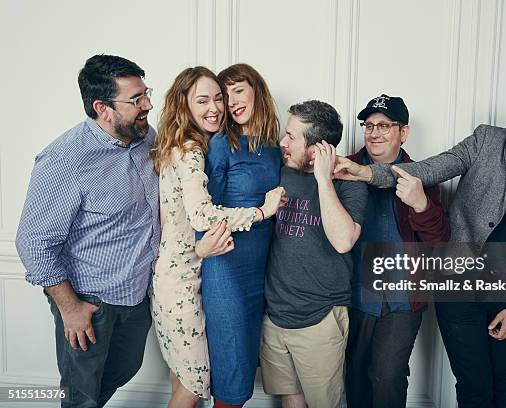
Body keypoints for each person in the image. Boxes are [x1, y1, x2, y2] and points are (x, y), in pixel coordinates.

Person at [335, 78, 506, 407]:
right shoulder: (486, 140)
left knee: (500, 386)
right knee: (474, 386)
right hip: (456, 283)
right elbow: (428, 169)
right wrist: (366, 173)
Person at [15, 54, 159, 407]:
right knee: (81, 394)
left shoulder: (144, 137)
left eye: (146, 93)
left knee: (123, 370)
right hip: (90, 302)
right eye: (136, 99)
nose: (148, 105)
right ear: (102, 108)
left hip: (136, 296)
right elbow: (33, 242)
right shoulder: (65, 160)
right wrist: (70, 307)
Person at [149, 66, 285, 408]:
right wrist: (261, 212)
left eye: (223, 96)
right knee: (197, 384)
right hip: (188, 275)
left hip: (211, 269)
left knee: (189, 377)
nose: (220, 106)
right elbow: (201, 216)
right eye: (204, 100)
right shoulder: (199, 148)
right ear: (185, 106)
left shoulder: (200, 144)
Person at [344, 94, 451, 408]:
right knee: (355, 376)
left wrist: (421, 204)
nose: (374, 133)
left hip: (403, 299)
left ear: (403, 132)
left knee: (388, 375)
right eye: (369, 125)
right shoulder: (345, 168)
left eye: (384, 126)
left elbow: (440, 241)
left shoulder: (423, 176)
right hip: (354, 295)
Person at [260, 100, 368, 408]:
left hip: (320, 320)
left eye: (292, 137)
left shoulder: (349, 181)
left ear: (317, 148)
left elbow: (344, 240)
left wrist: (323, 178)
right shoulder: (280, 171)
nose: (282, 142)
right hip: (275, 316)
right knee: (290, 402)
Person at [199, 63, 282, 408]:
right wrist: (262, 209)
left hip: (261, 271)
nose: (230, 103)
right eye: (224, 95)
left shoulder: (275, 147)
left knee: (245, 366)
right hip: (226, 268)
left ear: (256, 90)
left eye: (237, 91)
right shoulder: (221, 144)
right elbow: (207, 214)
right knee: (231, 371)